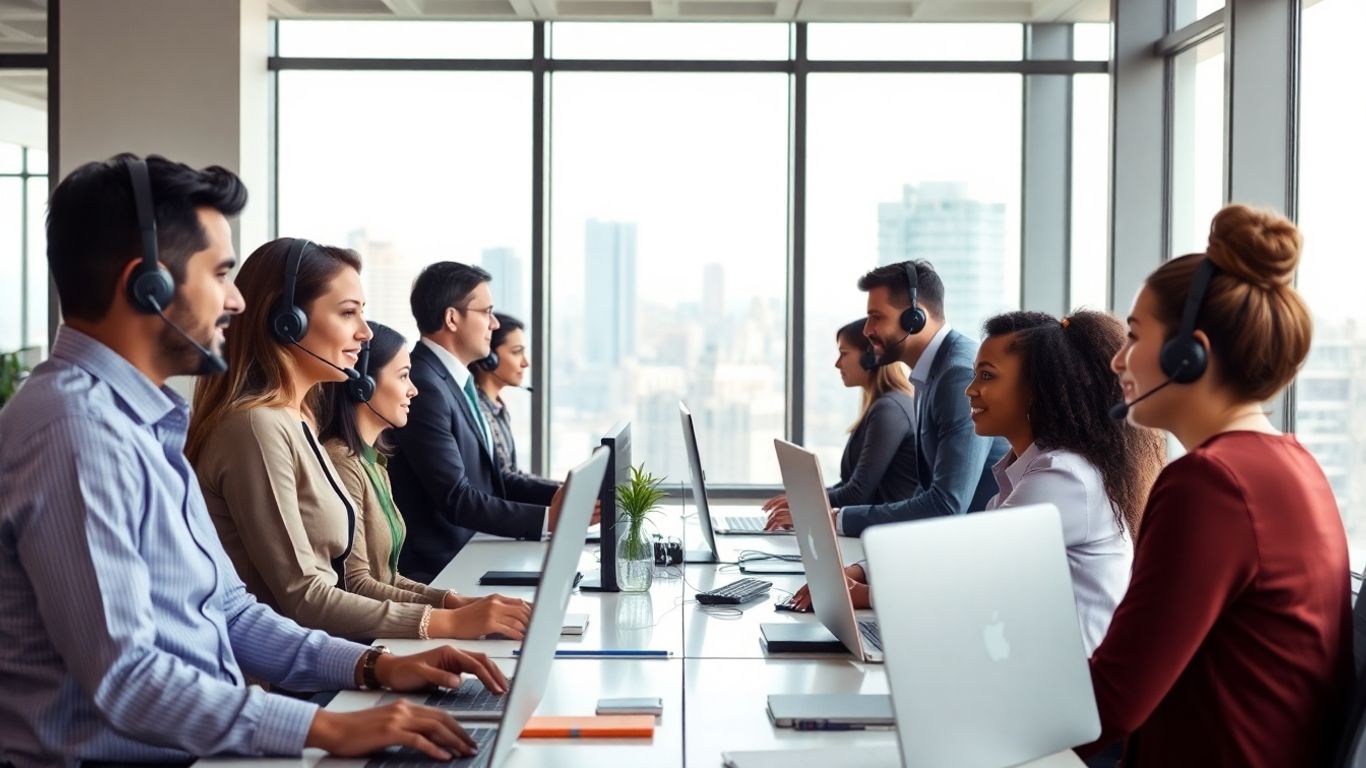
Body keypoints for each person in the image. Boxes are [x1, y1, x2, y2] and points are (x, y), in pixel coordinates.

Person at [0, 154, 503, 767]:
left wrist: (374, 666)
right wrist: (326, 727)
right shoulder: (76, 433)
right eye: (220, 274)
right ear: (147, 285)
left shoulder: (142, 424)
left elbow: (232, 612)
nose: (237, 301)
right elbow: (128, 680)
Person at [1077, 205, 1351, 766]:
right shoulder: (1292, 464)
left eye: (1133, 336)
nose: (1116, 360)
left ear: (1188, 355)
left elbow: (1108, 704)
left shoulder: (1211, 484)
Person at [187, 239, 537, 642]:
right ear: (287, 321)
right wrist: (446, 622)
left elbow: (346, 579)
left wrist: (452, 605)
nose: (365, 332)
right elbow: (304, 597)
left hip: (324, 654)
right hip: (286, 669)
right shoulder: (257, 427)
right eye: (348, 312)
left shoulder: (300, 422)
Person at [318, 320, 533, 640]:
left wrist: (455, 601)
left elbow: (388, 576)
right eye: (403, 376)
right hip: (364, 642)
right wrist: (452, 617)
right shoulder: (342, 463)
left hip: (387, 628)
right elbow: (356, 584)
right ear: (363, 385)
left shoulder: (374, 460)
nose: (413, 390)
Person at [965, 310, 1164, 653]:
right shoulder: (1038, 468)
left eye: (987, 376)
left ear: (1036, 390)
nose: (971, 390)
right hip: (1043, 666)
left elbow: (971, 569)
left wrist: (877, 587)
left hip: (1075, 680)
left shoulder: (1064, 477)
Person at [766, 260, 1007, 535]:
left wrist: (835, 520)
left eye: (877, 317)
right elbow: (925, 490)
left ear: (915, 317)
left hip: (974, 546)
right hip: (943, 541)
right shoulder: (931, 373)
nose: (867, 330)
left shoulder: (957, 376)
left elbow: (946, 505)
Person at [390, 263, 592, 583]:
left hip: (475, 552)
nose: (494, 323)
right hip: (443, 570)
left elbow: (496, 478)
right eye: (486, 312)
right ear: (452, 318)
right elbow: (457, 498)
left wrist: (570, 495)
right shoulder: (425, 385)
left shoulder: (456, 382)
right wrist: (549, 520)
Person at [762, 318, 918, 520]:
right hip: (870, 526)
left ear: (870, 356)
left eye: (844, 354)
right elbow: (849, 485)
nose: (837, 364)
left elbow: (857, 493)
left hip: (884, 532)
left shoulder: (889, 410)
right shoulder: (882, 406)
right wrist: (801, 499)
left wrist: (804, 505)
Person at [468, 313, 546, 482]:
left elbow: (512, 472)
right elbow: (505, 478)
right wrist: (559, 490)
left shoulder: (497, 406)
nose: (525, 363)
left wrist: (562, 487)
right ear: (489, 358)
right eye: (516, 352)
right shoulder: (479, 409)